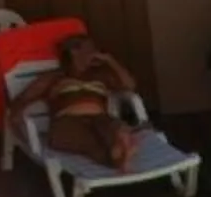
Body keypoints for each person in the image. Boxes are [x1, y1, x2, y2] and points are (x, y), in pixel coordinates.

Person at [39, 36, 154, 170]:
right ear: (74, 52)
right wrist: (25, 136)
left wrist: (110, 60)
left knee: (111, 127)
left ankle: (120, 148)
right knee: (89, 141)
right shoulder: (55, 77)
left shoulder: (101, 76)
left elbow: (130, 86)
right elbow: (22, 101)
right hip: (67, 120)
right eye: (90, 48)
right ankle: (120, 154)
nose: (95, 52)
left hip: (99, 118)